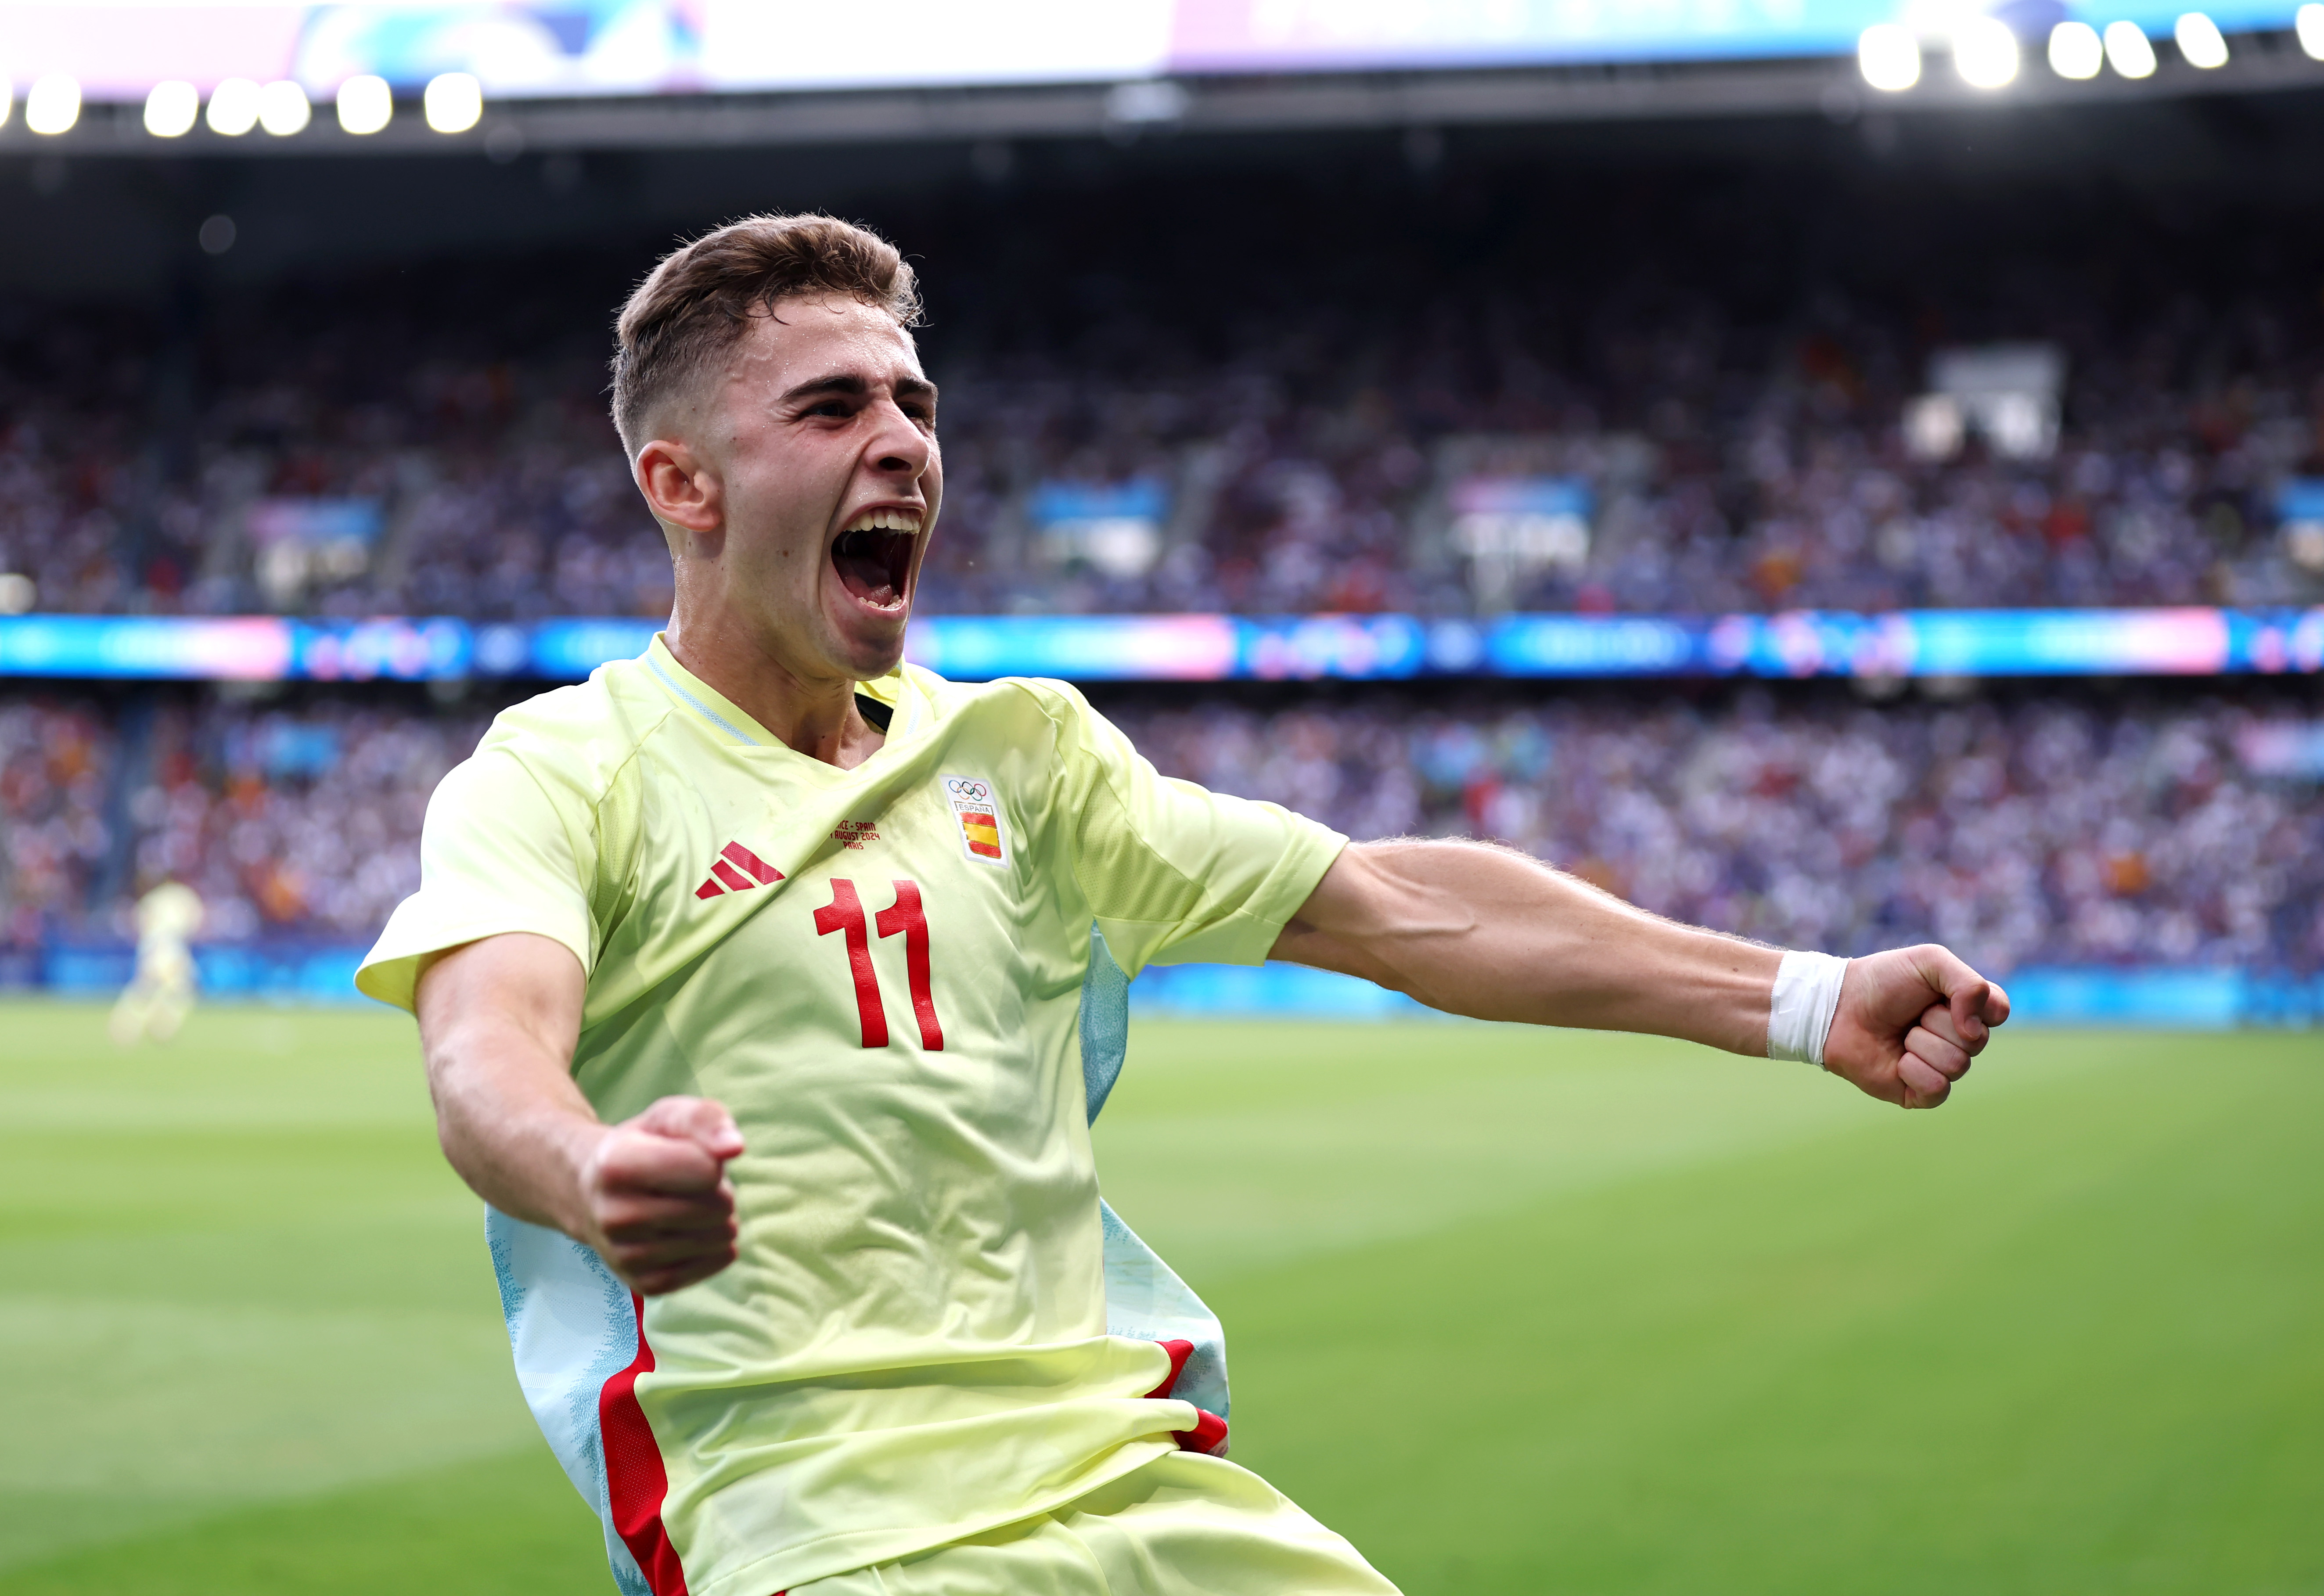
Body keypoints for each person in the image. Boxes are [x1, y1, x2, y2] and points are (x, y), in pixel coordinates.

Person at [357, 214, 2009, 1596]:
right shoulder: (566, 765)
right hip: (824, 1517)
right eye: (829, 405)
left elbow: (1384, 902)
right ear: (683, 484)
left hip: (1129, 1481)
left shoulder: (1022, 749)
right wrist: (588, 1166)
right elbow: (482, 1050)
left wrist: (1800, 995)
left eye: (914, 399)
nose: (902, 441)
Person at [111, 877, 202, 1045]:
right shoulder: (182, 896)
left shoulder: (153, 899)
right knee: (180, 988)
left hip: (153, 946)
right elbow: (194, 922)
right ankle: (158, 1025)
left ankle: (133, 1024)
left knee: (149, 988)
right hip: (169, 946)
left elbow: (140, 924)